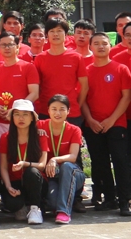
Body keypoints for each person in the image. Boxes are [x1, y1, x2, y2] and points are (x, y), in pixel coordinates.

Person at [81, 32, 131, 214]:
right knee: (100, 162)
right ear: (90, 47)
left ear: (110, 46)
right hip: (93, 124)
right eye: (96, 43)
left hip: (117, 123)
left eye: (104, 43)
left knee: (120, 161)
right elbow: (82, 99)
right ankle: (109, 199)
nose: (101, 46)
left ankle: (124, 200)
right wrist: (90, 119)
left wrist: (112, 119)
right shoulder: (85, 71)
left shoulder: (121, 69)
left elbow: (126, 97)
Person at [0, 31, 40, 147]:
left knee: (23, 153)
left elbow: (34, 93)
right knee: (1, 154)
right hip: (1, 121)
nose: (7, 48)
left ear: (17, 46)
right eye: (3, 45)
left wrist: (16, 110)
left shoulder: (28, 67)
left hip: (23, 121)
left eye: (10, 44)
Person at [0, 99, 48, 224]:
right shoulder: (5, 137)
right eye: (17, 114)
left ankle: (35, 209)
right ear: (12, 117)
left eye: (25, 114)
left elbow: (42, 165)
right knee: (12, 203)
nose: (21, 118)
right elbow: (3, 167)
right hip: (14, 182)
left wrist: (25, 164)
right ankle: (23, 207)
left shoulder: (40, 136)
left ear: (32, 118)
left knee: (32, 172)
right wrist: (8, 186)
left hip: (35, 181)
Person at [40, 95, 86, 223]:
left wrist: (54, 159)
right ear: (48, 110)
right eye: (54, 109)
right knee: (52, 203)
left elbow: (73, 157)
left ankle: (64, 211)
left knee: (66, 165)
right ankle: (60, 204)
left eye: (62, 109)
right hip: (53, 174)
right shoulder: (40, 125)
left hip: (72, 172)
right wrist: (35, 132)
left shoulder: (75, 130)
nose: (58, 113)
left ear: (68, 111)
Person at [34, 18, 87, 122]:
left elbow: (85, 86)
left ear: (66, 34)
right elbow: (36, 87)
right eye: (52, 31)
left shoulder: (76, 57)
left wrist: (77, 105)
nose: (55, 34)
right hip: (46, 111)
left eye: (59, 31)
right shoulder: (40, 58)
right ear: (47, 35)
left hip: (71, 112)